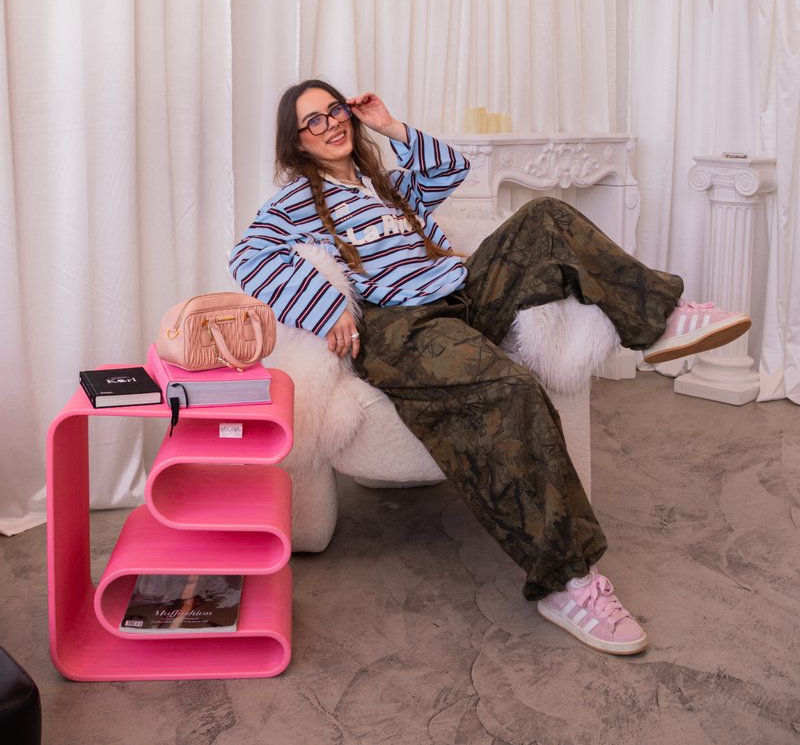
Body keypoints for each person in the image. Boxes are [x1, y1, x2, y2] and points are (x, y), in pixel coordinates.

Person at [229, 79, 751, 656]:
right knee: (512, 388)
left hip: (458, 291)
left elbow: (449, 169)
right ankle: (566, 582)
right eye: (313, 122)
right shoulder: (296, 201)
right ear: (296, 142)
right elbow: (249, 258)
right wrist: (328, 307)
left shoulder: (386, 186)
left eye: (335, 111)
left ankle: (659, 320)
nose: (330, 124)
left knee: (546, 216)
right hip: (400, 326)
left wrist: (390, 126)